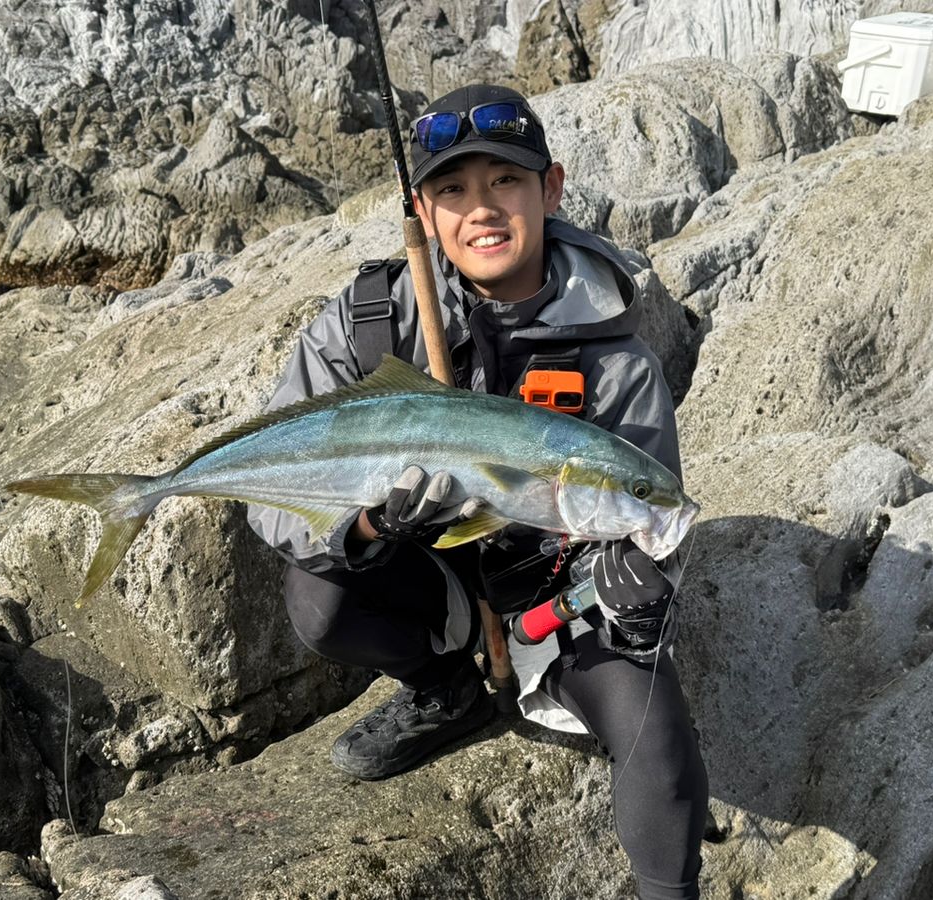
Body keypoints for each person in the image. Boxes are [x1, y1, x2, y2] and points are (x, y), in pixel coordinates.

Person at [246, 83, 709, 900]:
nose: (482, 210)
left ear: (550, 189)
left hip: (555, 596)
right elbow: (271, 495)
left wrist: (641, 593)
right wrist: (360, 528)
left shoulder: (616, 360)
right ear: (424, 212)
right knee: (320, 595)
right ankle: (447, 691)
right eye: (453, 190)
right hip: (426, 581)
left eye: (506, 181)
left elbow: (645, 504)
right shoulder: (364, 326)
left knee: (657, 733)